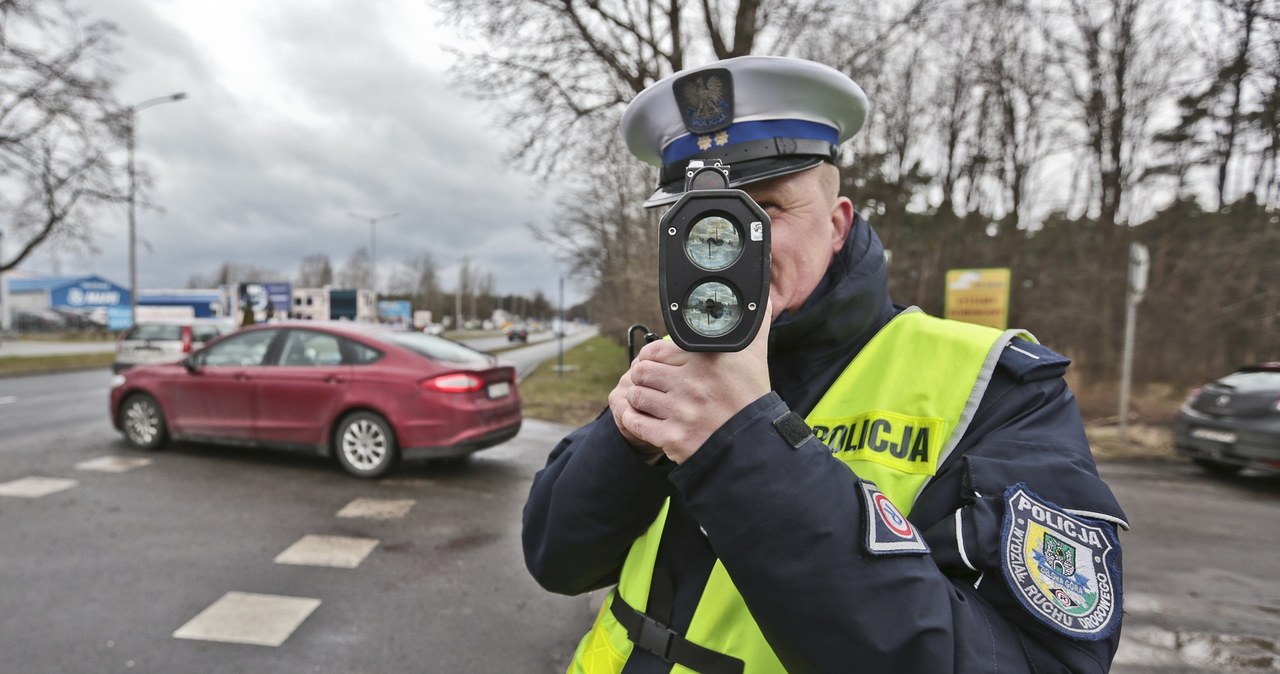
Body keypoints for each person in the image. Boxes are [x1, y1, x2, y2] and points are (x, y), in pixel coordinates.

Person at [523, 55, 1128, 674]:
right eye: (695, 218)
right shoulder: (669, 362)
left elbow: (1034, 661)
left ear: (837, 226)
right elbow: (555, 560)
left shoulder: (997, 390)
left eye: (765, 209)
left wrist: (742, 442)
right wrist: (627, 446)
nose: (725, 241)